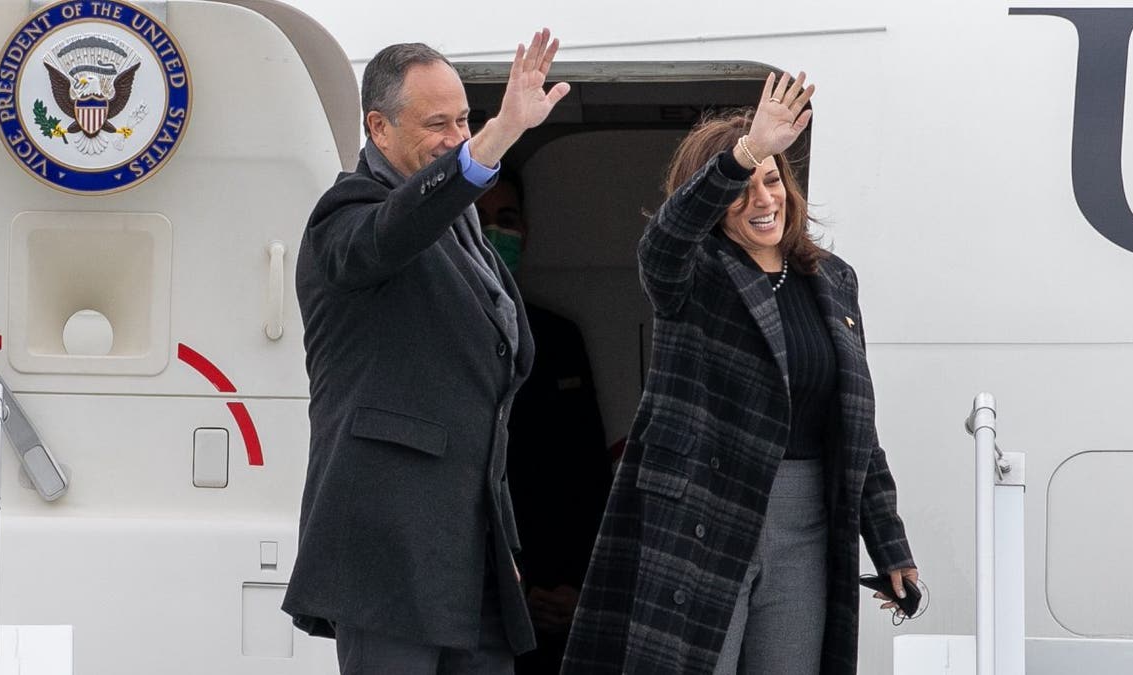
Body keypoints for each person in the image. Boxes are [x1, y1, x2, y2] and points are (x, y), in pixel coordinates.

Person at [562, 72, 919, 675]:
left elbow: (857, 425)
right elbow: (663, 241)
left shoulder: (832, 281)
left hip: (806, 520)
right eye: (741, 187)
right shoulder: (691, 274)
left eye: (772, 179)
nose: (763, 200)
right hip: (706, 514)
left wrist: (888, 542)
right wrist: (745, 150)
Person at [282, 30, 570, 675]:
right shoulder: (348, 212)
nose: (456, 136)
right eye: (437, 123)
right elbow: (396, 229)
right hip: (387, 549)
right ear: (378, 128)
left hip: (471, 548)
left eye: (464, 119)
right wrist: (493, 140)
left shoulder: (464, 221)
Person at [476, 175, 615, 674]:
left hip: (562, 597)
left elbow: (587, 478)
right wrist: (517, 586)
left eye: (507, 220)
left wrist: (579, 589)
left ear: (527, 232)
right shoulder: (441, 340)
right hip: (485, 594)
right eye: (481, 219)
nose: (495, 232)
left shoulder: (558, 338)